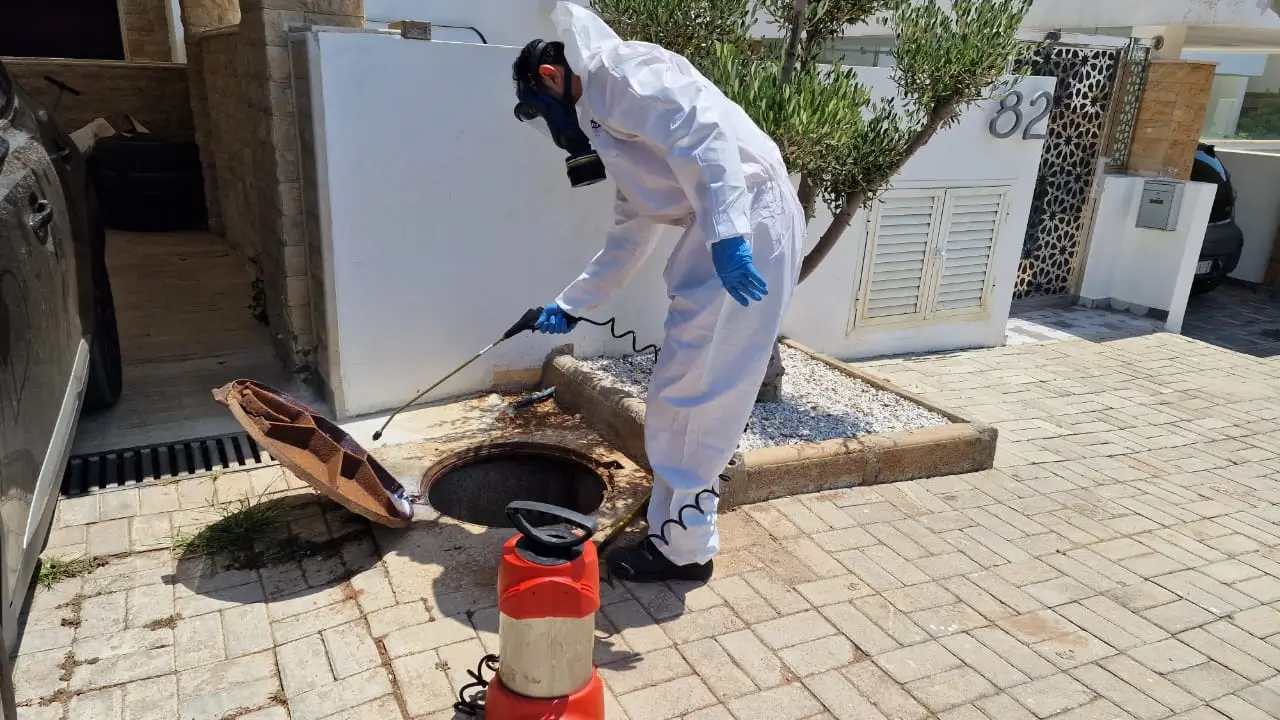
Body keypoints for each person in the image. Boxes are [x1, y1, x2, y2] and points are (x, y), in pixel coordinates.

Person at [513, 2, 805, 584]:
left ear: (549, 78)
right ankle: (677, 513)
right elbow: (630, 232)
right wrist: (573, 304)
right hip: (728, 223)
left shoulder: (618, 74)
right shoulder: (608, 120)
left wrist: (728, 233)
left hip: (749, 221)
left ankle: (684, 548)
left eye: (537, 111)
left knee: (697, 387)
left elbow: (707, 133)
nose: (550, 126)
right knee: (686, 382)